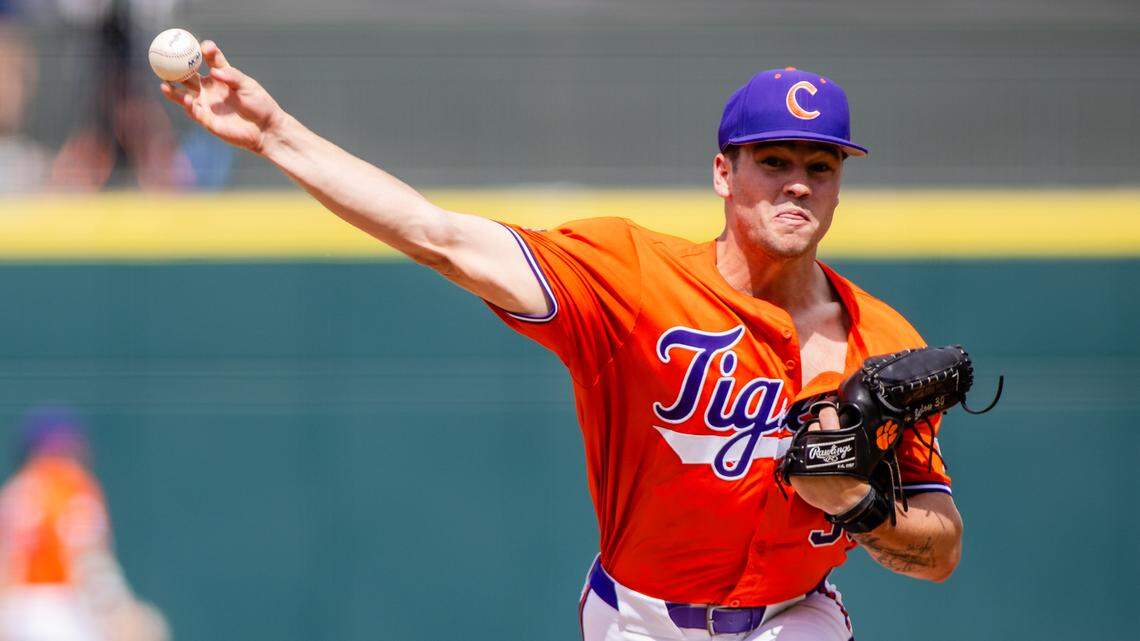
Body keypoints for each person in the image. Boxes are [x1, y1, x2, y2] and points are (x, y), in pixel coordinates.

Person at [163, 46, 963, 640]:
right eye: (774, 159)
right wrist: (274, 134)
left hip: (798, 617)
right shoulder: (630, 275)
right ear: (724, 173)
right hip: (643, 623)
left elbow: (940, 548)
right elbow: (439, 236)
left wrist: (863, 507)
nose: (796, 182)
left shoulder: (883, 342)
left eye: (819, 165)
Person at [0, 408, 169, 641]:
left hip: (16, 612)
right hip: (61, 611)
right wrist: (119, 612)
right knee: (148, 626)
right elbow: (89, 564)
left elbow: (6, 568)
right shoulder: (72, 487)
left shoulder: (13, 491)